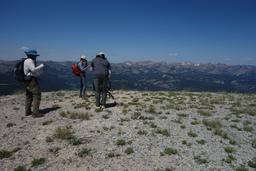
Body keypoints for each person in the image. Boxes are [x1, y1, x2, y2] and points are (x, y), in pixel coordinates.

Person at [23, 49, 44, 117]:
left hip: (27, 80)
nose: (36, 57)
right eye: (35, 56)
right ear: (32, 55)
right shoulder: (29, 61)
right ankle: (35, 113)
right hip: (31, 80)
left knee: (29, 96)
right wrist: (41, 66)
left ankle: (27, 111)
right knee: (36, 95)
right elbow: (33, 70)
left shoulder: (25, 60)